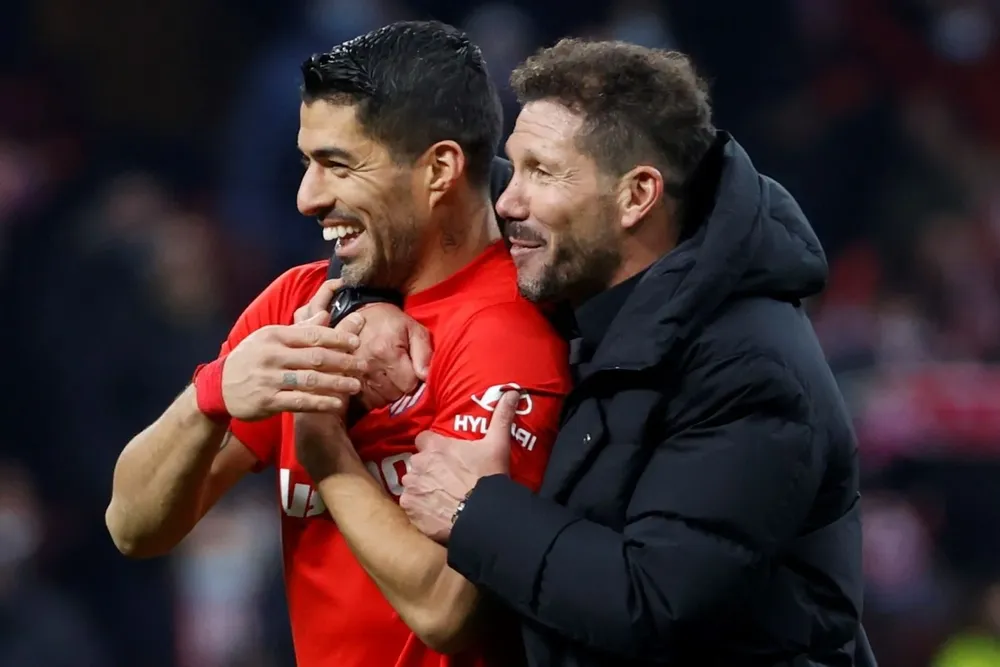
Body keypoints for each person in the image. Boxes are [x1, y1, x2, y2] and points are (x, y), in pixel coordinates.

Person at [383, 39, 868, 666]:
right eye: (515, 167)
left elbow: (654, 601)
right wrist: (365, 300)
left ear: (637, 196)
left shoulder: (749, 368)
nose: (508, 202)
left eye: (542, 172)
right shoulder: (581, 270)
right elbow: (414, 204)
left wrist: (476, 510)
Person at [105, 21, 571, 667]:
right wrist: (212, 395)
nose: (307, 198)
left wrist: (328, 454)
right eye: (307, 163)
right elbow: (132, 526)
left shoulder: (511, 331)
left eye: (338, 165)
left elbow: (448, 609)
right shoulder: (304, 304)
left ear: (439, 169)